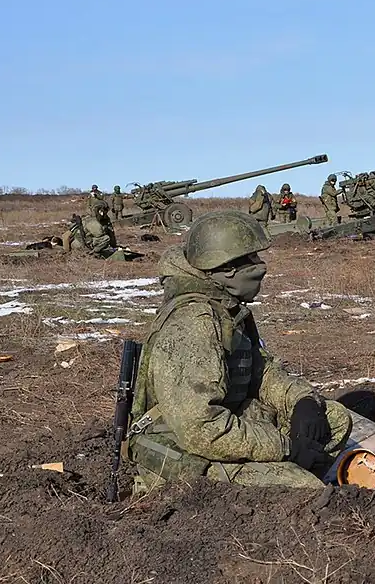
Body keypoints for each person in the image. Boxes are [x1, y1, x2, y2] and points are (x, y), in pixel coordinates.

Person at [126, 210, 352, 491]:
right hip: (182, 452)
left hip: (223, 424)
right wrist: (285, 447)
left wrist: (302, 401)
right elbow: (200, 428)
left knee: (333, 420)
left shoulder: (225, 308)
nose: (261, 266)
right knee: (305, 490)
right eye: (252, 259)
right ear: (228, 267)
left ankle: (284, 472)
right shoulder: (194, 322)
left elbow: (260, 371)